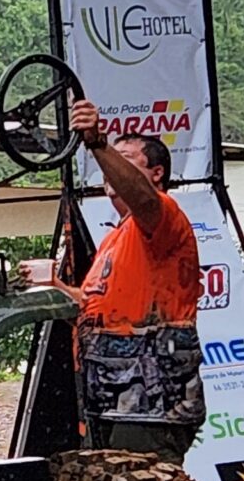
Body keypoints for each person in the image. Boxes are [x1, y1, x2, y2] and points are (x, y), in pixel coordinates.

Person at [66, 100, 205, 457]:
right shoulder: (114, 237)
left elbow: (143, 200)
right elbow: (92, 304)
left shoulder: (163, 215)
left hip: (151, 401)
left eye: (126, 159)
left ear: (156, 173)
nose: (112, 168)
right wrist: (53, 288)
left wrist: (99, 144)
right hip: (110, 396)